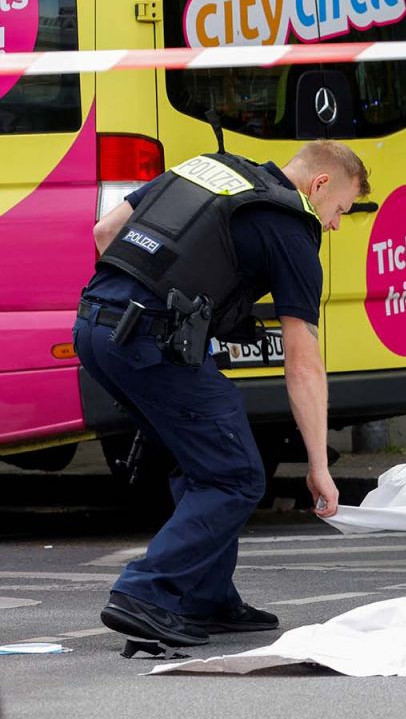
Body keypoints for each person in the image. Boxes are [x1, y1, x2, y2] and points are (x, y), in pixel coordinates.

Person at [74, 139, 369, 648]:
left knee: (200, 456)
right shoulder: (292, 229)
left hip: (93, 327)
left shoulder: (212, 166)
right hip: (148, 342)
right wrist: (319, 465)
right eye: (341, 208)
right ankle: (147, 593)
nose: (336, 223)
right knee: (235, 474)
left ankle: (206, 598)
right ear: (320, 185)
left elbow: (105, 232)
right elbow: (302, 361)